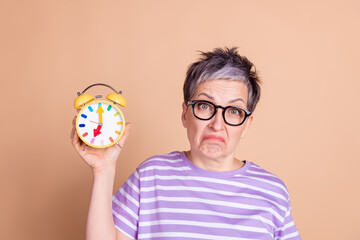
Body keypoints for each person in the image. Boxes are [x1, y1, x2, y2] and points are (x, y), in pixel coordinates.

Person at [71, 47, 301, 240]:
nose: (217, 124)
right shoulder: (151, 176)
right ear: (185, 114)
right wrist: (103, 171)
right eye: (204, 106)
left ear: (247, 124)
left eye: (233, 111)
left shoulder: (272, 192)